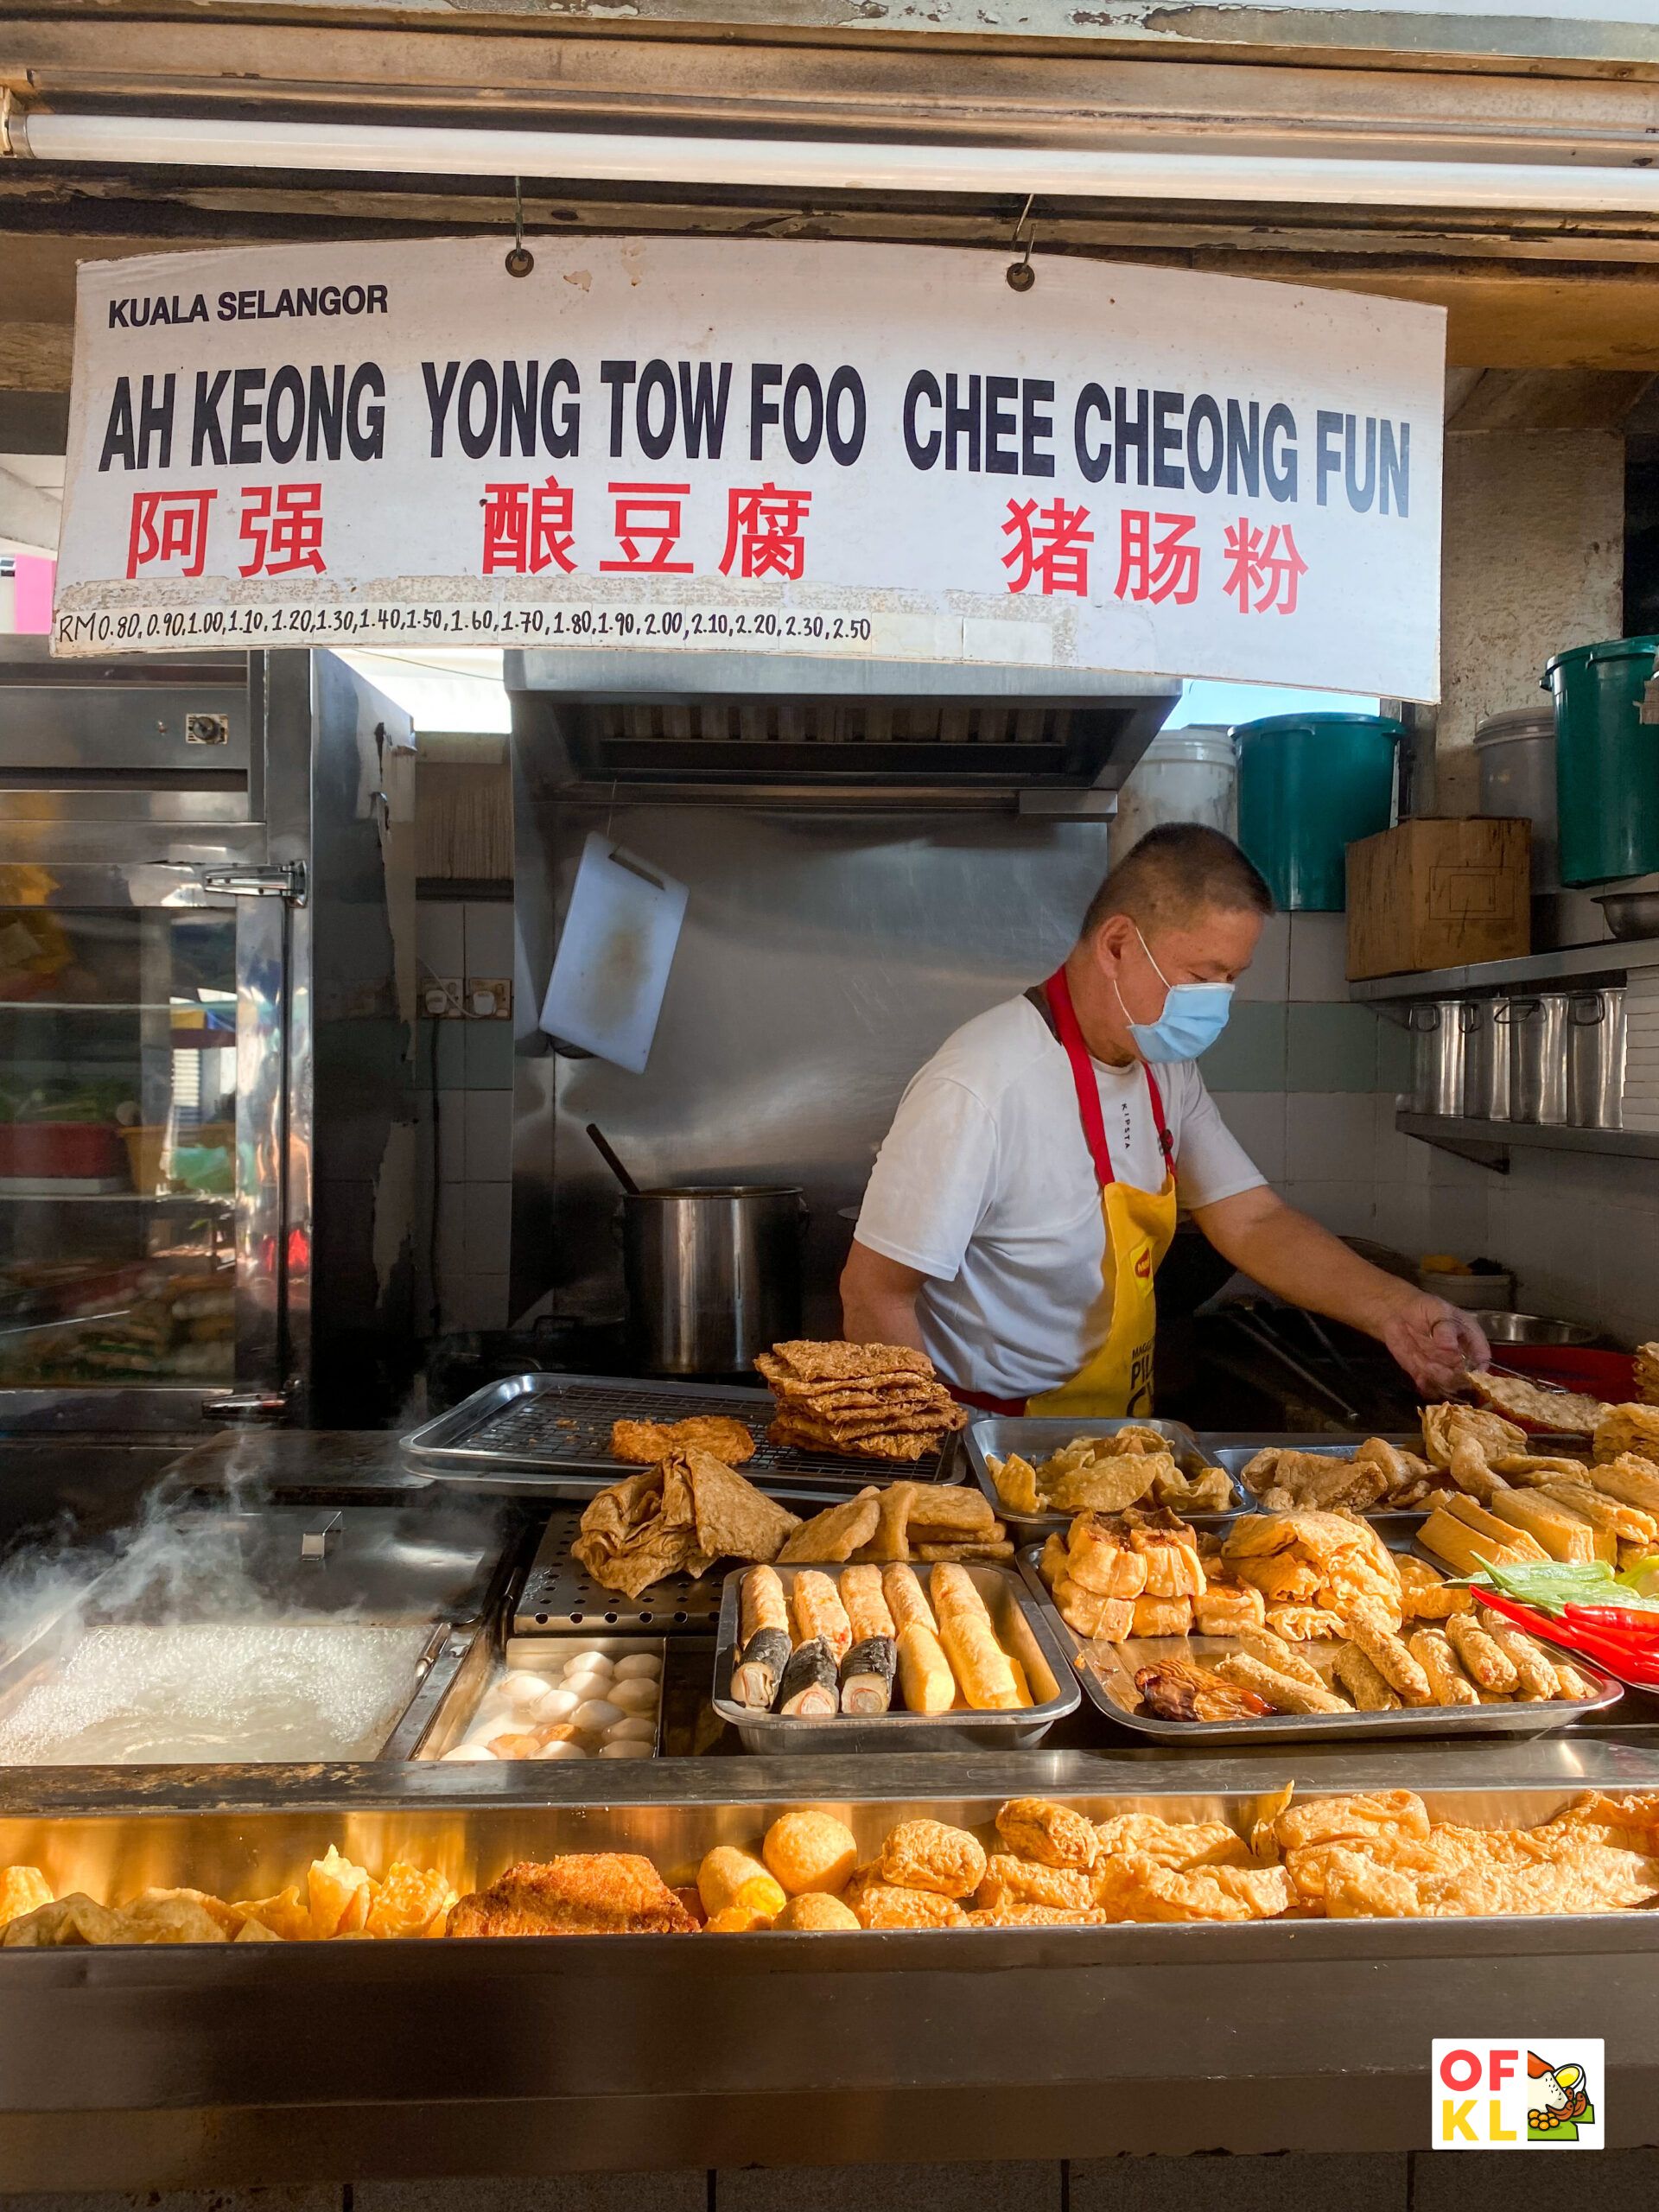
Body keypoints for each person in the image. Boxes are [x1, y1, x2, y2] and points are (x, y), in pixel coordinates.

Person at [842, 821, 1489, 1415]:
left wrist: (1399, 1309)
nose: (1218, 1003)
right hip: (989, 1434)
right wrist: (933, 1468)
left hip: (1113, 1431)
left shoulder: (1162, 1066)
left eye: (1232, 978)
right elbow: (875, 1293)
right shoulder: (981, 1085)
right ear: (1118, 944)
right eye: (1202, 975)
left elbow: (1253, 1221)